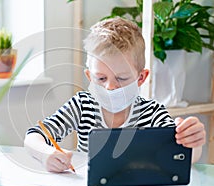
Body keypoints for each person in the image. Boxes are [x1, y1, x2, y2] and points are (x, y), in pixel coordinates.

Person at [24, 17, 206, 173]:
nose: (110, 87)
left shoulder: (152, 112)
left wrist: (193, 142)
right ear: (89, 76)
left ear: (140, 78)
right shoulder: (82, 105)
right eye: (101, 78)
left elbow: (182, 154)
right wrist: (46, 155)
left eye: (121, 78)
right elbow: (34, 135)